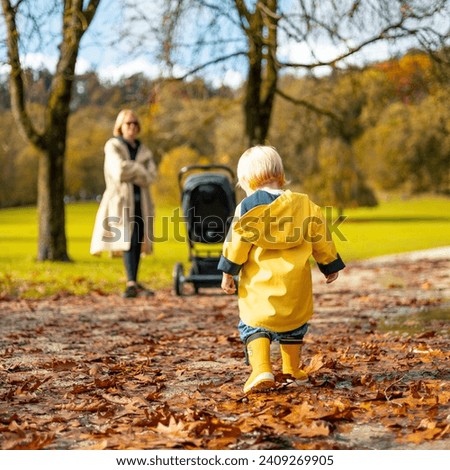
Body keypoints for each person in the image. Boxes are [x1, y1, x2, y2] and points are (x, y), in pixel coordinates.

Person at [218, 145, 345, 394]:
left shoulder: (247, 208)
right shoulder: (305, 205)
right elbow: (322, 236)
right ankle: (292, 369)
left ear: (247, 181)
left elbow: (236, 243)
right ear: (280, 173)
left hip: (260, 291)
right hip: (294, 289)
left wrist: (228, 272)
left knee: (254, 326)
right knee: (294, 327)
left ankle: (262, 368)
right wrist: (329, 265)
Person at [90, 109, 157, 298]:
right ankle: (130, 282)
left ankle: (134, 281)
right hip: (121, 201)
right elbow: (118, 171)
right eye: (129, 123)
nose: (133, 126)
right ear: (120, 126)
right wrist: (138, 168)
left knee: (137, 240)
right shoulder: (113, 145)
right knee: (127, 239)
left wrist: (133, 170)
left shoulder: (144, 149)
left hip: (141, 202)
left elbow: (151, 176)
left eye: (135, 123)